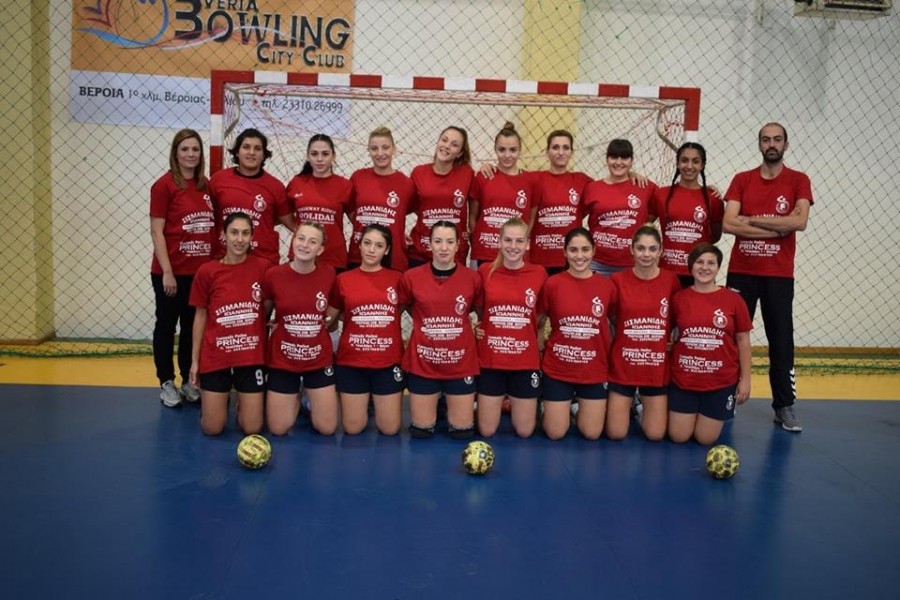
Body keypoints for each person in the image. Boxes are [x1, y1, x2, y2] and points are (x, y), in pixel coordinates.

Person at [722, 122, 813, 432]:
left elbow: (799, 222)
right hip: (741, 272)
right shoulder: (742, 180)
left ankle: (784, 405)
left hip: (778, 274)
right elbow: (729, 224)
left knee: (781, 339)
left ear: (786, 144)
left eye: (777, 139)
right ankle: (726, 398)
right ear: (759, 144)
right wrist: (776, 228)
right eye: (765, 139)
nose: (771, 144)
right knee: (731, 336)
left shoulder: (798, 180)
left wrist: (751, 220)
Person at [150, 129, 215, 407]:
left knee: (191, 328)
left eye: (195, 149)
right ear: (175, 153)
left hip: (198, 273)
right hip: (171, 273)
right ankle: (166, 381)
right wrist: (167, 271)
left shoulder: (205, 185)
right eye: (185, 149)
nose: (191, 154)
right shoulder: (164, 186)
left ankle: (189, 380)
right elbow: (157, 231)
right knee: (167, 327)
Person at [399, 221, 481, 439]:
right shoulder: (411, 277)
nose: (444, 247)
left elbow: (480, 312)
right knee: (421, 431)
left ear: (458, 245)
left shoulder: (472, 278)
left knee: (462, 432)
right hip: (424, 361)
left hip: (460, 362)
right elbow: (403, 307)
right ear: (429, 244)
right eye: (438, 241)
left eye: (449, 242)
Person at [189, 212, 269, 436]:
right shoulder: (207, 271)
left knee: (252, 428)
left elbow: (273, 303)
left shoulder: (263, 268)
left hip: (250, 356)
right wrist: (195, 361)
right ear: (223, 235)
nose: (239, 239)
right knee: (212, 428)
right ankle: (215, 405)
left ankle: (244, 403)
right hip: (217, 355)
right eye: (234, 232)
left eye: (245, 233)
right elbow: (200, 317)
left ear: (252, 237)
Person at [668, 243, 752, 444]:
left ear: (718, 267)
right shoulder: (679, 298)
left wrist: (746, 380)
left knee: (705, 439)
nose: (705, 267)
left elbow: (743, 341)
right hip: (684, 380)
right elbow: (665, 332)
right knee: (679, 436)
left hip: (720, 381)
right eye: (699, 262)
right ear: (691, 266)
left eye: (711, 263)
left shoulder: (734, 300)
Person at [538, 227, 617, 440]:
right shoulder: (553, 284)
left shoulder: (607, 286)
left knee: (591, 433)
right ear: (564, 252)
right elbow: (539, 320)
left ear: (594, 251)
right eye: (573, 250)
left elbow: (617, 321)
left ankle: (574, 408)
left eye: (585, 249)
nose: (579, 256)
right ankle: (550, 408)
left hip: (593, 368)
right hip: (559, 367)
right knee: (555, 433)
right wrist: (539, 345)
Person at [605, 225, 680, 441]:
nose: (646, 254)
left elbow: (676, 316)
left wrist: (668, 338)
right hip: (625, 362)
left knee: (655, 435)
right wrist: (634, 331)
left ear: (660, 251)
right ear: (632, 249)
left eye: (652, 249)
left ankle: (640, 407)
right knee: (616, 433)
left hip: (655, 364)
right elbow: (612, 316)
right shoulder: (617, 280)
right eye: (641, 248)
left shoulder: (671, 281)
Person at [262, 222, 338, 436]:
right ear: (293, 241)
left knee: (327, 428)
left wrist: (326, 320)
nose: (305, 245)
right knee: (278, 429)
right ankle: (294, 396)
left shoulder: (329, 273)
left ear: (320, 249)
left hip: (317, 357)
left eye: (312, 242)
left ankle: (307, 395)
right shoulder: (274, 275)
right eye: (301, 238)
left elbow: (335, 304)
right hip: (284, 357)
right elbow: (264, 311)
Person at [328, 224, 404, 435]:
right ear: (359, 245)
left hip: (387, 361)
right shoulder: (343, 280)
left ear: (386, 250)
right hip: (352, 361)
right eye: (367, 243)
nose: (372, 250)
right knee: (353, 428)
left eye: (379, 245)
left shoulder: (398, 279)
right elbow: (328, 318)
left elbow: (420, 312)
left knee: (390, 429)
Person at [475, 218, 547, 438]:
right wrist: (479, 326)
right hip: (492, 359)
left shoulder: (539, 273)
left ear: (528, 244)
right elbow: (480, 310)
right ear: (499, 241)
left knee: (525, 432)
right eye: (507, 240)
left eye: (519, 241)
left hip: (524, 359)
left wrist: (530, 332)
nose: (513, 246)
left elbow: (540, 314)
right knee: (487, 431)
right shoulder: (485, 271)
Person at [209, 128, 294, 266]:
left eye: (257, 148)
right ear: (237, 151)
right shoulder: (218, 180)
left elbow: (291, 223)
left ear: (264, 154)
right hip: (226, 259)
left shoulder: (275, 186)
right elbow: (207, 216)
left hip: (263, 261)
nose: (252, 152)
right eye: (246, 147)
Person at [651, 142, 724, 287]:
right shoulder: (661, 194)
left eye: (695, 161)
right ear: (677, 163)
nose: (689, 166)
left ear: (702, 165)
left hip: (699, 272)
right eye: (684, 160)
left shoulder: (712, 198)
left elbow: (715, 236)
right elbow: (644, 224)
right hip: (667, 270)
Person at [582, 139, 657, 276]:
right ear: (606, 159)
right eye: (614, 157)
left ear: (632, 160)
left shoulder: (644, 186)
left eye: (624, 157)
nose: (618, 162)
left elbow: (660, 209)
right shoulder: (592, 188)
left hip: (633, 264)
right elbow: (575, 217)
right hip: (597, 262)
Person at [348, 127, 416, 271]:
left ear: (394, 149)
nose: (380, 153)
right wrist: (367, 225)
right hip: (360, 255)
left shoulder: (406, 184)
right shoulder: (358, 177)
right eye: (374, 148)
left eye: (385, 147)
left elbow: (405, 213)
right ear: (368, 151)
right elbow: (350, 209)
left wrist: (396, 229)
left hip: (393, 257)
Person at [469, 122, 536, 267]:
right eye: (502, 149)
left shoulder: (530, 181)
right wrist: (479, 243)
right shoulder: (483, 176)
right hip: (485, 252)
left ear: (520, 150)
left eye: (513, 150)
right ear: (495, 149)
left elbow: (531, 219)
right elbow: (473, 217)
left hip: (515, 254)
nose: (507, 155)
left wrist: (520, 242)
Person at [408, 126, 474, 268]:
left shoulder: (467, 173)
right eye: (444, 140)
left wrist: (489, 166)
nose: (447, 146)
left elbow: (480, 202)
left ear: (460, 153)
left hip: (454, 254)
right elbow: (407, 206)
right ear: (438, 142)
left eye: (454, 145)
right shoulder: (419, 172)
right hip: (421, 252)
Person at [286, 134, 352, 272]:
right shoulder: (297, 183)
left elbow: (357, 219)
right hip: (301, 255)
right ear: (308, 156)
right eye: (314, 154)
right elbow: (283, 213)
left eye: (325, 154)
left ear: (333, 156)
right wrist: (300, 230)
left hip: (333, 257)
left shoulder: (344, 185)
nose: (320, 159)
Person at [529, 130, 592, 275]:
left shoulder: (582, 180)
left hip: (572, 260)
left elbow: (609, 186)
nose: (561, 152)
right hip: (540, 259)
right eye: (555, 147)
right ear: (547, 152)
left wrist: (630, 174)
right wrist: (489, 167)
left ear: (571, 152)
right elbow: (508, 176)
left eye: (566, 148)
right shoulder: (534, 178)